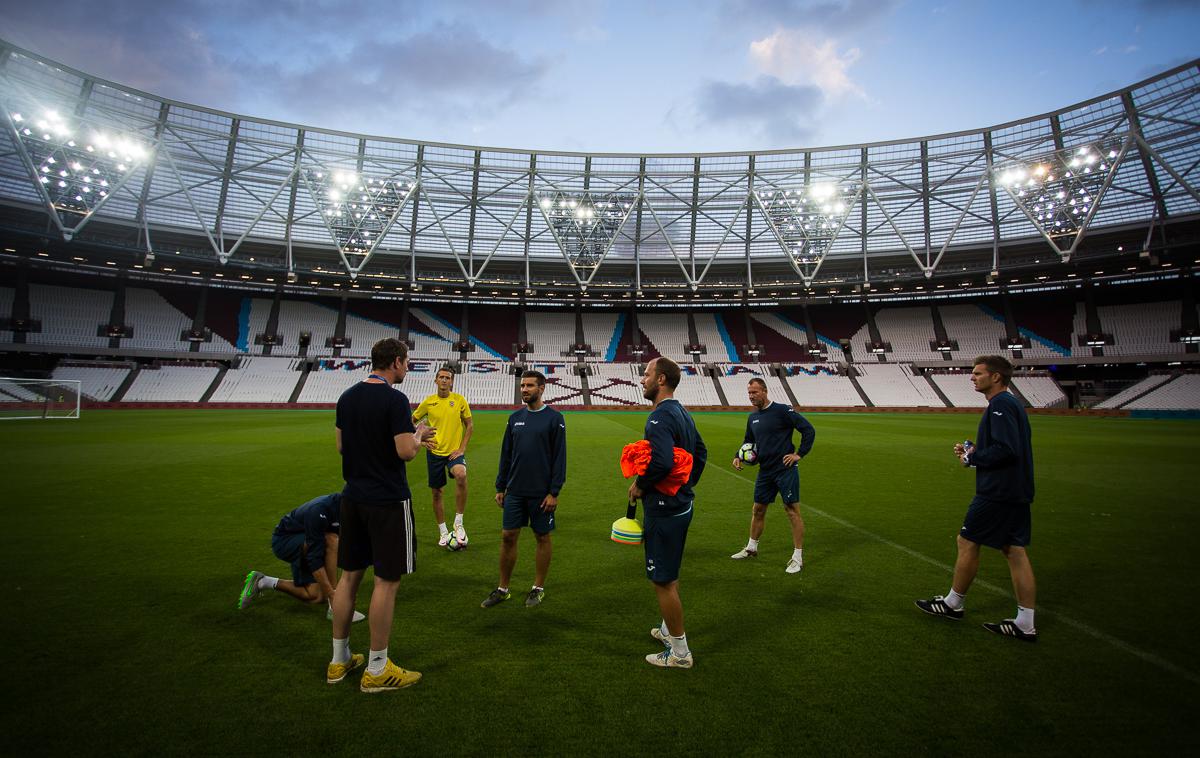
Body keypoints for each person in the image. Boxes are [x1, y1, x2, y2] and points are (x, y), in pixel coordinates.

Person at [328, 337, 437, 691]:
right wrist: (419, 435)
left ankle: (339, 660)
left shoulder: (347, 397)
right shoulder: (394, 399)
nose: (407, 368)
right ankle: (377, 668)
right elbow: (405, 452)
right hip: (387, 501)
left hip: (352, 498)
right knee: (386, 582)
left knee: (348, 578)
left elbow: (341, 445)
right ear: (395, 362)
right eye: (406, 362)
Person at [915, 355, 1038, 642]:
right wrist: (974, 452)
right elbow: (1008, 446)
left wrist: (974, 456)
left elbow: (1007, 449)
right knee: (1014, 550)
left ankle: (952, 604)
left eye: (978, 373)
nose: (972, 377)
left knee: (967, 541)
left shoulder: (1001, 405)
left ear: (996, 377)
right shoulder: (1010, 404)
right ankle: (1025, 622)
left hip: (998, 492)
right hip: (1015, 490)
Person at [629, 357, 707, 669]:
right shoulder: (682, 412)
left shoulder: (659, 418)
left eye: (646, 374)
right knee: (670, 573)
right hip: (681, 505)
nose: (642, 379)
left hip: (663, 509)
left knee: (663, 581)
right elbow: (700, 453)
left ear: (661, 379)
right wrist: (685, 485)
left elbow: (660, 462)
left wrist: (640, 485)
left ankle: (680, 652)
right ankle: (666, 631)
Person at [481, 370, 566, 609]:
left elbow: (560, 458)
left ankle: (537, 588)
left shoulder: (554, 418)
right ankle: (503, 588)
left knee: (542, 536)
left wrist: (554, 492)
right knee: (508, 536)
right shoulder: (514, 418)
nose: (525, 389)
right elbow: (506, 454)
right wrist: (501, 486)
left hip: (541, 493)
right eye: (522, 386)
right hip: (515, 490)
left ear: (542, 388)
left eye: (530, 386)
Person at [729, 377, 816, 574]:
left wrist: (799, 454)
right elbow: (748, 440)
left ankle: (797, 557)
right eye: (749, 393)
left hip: (785, 470)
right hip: (765, 471)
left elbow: (808, 430)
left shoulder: (783, 410)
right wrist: (738, 456)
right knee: (758, 509)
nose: (751, 396)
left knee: (791, 510)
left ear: (765, 391)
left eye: (755, 392)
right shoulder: (753, 417)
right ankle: (751, 548)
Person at [237, 492, 364, 623]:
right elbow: (315, 558)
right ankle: (336, 606)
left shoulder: (349, 509)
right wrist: (333, 594)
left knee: (315, 596)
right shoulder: (320, 509)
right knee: (332, 541)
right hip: (285, 541)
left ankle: (262, 581)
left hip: (310, 540)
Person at [412, 366, 474, 548]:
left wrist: (462, 449)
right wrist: (421, 441)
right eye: (441, 377)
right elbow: (411, 422)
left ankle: (459, 523)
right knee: (437, 493)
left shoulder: (459, 400)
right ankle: (443, 532)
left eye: (448, 377)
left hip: (454, 453)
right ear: (436, 380)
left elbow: (469, 425)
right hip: (435, 453)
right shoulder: (428, 402)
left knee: (461, 475)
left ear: (452, 381)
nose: (445, 380)